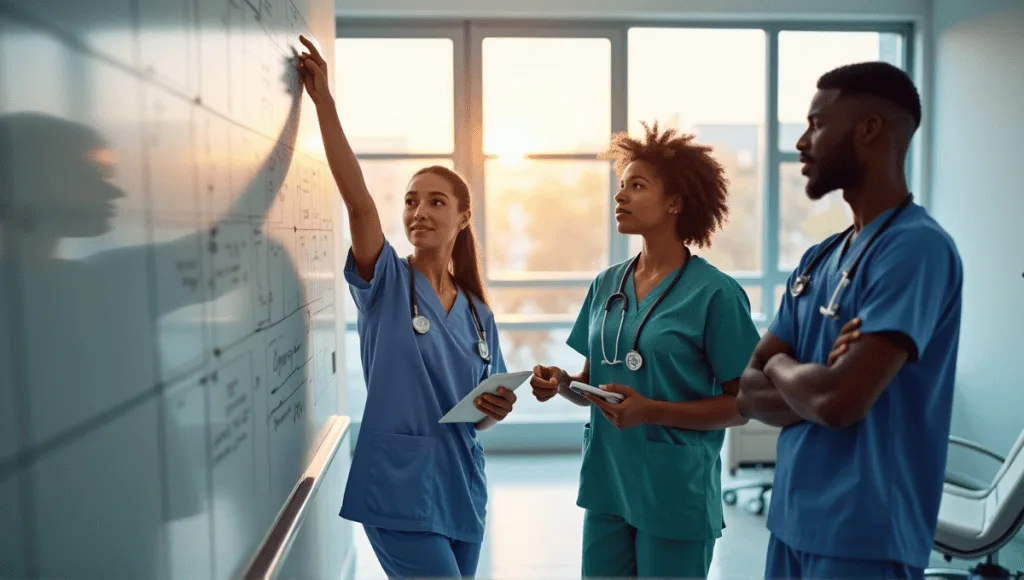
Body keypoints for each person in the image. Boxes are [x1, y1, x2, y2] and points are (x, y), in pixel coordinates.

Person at [297, 37, 518, 579]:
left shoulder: (477, 313)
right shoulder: (386, 280)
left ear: (463, 219)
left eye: (436, 201)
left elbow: (481, 415)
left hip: (461, 485)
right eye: (412, 200)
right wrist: (324, 102)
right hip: (398, 484)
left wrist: (494, 410)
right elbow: (358, 200)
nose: (419, 210)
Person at [736, 61, 963, 579]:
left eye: (817, 123)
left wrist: (781, 368)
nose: (801, 141)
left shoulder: (915, 249)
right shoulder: (819, 258)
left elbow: (839, 402)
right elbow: (747, 393)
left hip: (864, 536)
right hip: (791, 523)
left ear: (868, 129)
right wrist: (805, 377)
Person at [530, 121, 761, 578]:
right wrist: (562, 384)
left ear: (675, 201)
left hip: (674, 489)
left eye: (637, 185)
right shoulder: (606, 285)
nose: (621, 196)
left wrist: (651, 411)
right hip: (608, 485)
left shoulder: (715, 295)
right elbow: (593, 386)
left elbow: (742, 405)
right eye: (621, 185)